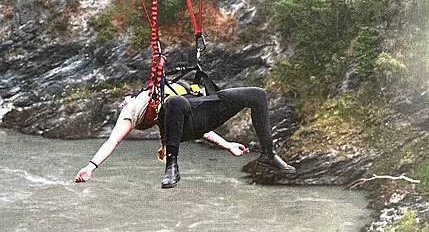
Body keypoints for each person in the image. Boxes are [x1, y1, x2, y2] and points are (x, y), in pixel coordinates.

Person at [74, 84, 296, 189]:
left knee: (258, 95)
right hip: (184, 120)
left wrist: (227, 145)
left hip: (201, 113)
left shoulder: (159, 90)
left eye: (126, 99)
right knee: (176, 103)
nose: (125, 101)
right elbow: (113, 140)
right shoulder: (131, 111)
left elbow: (205, 131)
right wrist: (91, 166)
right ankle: (172, 167)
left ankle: (269, 153)